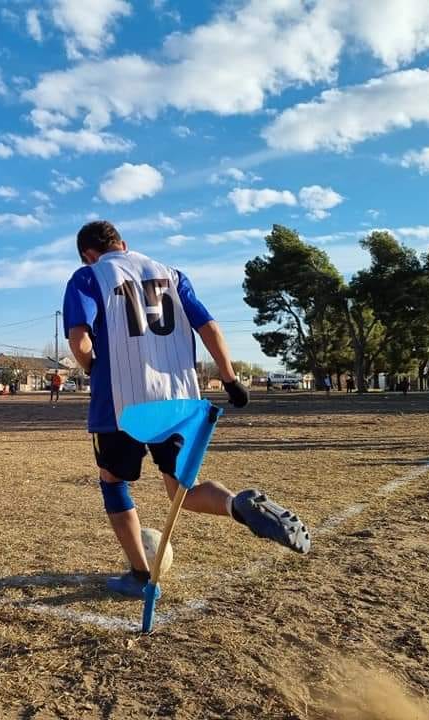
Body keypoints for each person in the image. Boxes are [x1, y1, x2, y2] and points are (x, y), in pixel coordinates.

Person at [63, 220, 311, 598]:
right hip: (179, 400)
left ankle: (140, 575)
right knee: (183, 490)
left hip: (121, 403)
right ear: (124, 244)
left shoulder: (87, 277)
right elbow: (209, 327)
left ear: (89, 254)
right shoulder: (173, 275)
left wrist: (92, 367)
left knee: (113, 482)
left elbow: (79, 340)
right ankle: (237, 504)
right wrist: (229, 380)